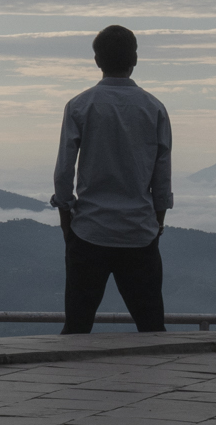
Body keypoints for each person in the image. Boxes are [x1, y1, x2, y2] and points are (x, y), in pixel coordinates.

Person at [51, 24, 172, 334]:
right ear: (134, 59)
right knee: (152, 329)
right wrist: (156, 223)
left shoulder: (80, 105)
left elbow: (64, 172)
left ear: (97, 60)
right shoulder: (154, 108)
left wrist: (67, 220)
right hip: (139, 233)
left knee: (77, 327)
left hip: (90, 230)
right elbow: (162, 176)